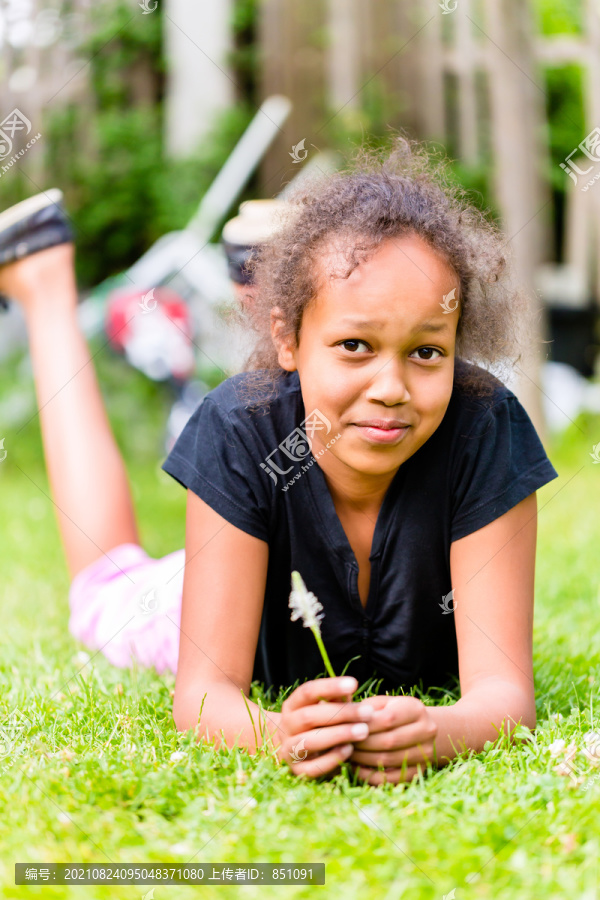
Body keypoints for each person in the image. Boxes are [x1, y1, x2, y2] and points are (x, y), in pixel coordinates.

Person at [0, 136, 559, 787]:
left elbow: (505, 698)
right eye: (355, 344)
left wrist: (441, 732)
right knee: (103, 585)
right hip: (213, 579)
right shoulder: (240, 428)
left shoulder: (485, 429)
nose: (391, 387)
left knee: (334, 308)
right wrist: (273, 734)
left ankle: (266, 270)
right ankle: (43, 283)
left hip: (270, 520)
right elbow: (204, 694)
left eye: (427, 352)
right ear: (287, 341)